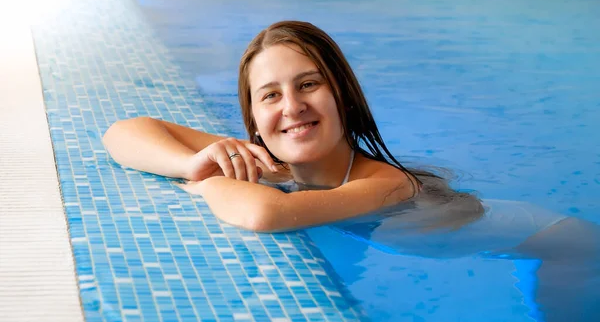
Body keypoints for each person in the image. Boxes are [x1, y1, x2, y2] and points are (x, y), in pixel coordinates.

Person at [103, 20, 599, 321]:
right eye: (270, 94)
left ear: (343, 93)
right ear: (253, 117)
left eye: (309, 84)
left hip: (569, 244)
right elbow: (124, 132)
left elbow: (265, 215)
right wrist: (190, 161)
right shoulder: (272, 160)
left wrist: (204, 182)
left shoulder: (384, 184)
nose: (292, 106)